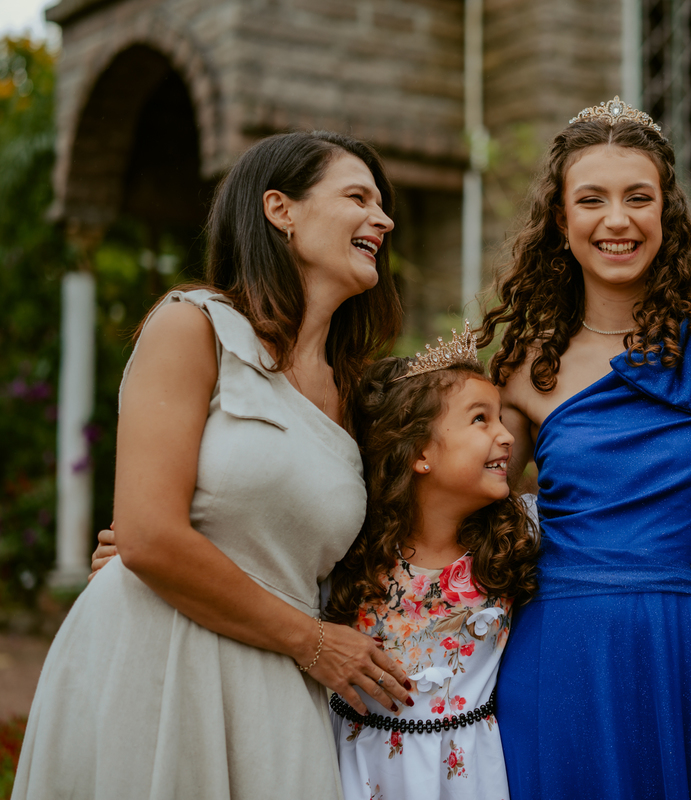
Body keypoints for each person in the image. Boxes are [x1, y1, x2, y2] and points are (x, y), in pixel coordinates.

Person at [15, 131, 415, 799]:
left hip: (276, 684)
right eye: (357, 197)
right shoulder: (194, 327)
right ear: (280, 209)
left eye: (383, 205)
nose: (383, 218)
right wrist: (314, 643)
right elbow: (147, 537)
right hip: (158, 655)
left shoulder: (358, 396)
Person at [478, 98, 691, 799]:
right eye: (591, 199)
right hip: (563, 651)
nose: (616, 220)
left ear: (665, 213)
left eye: (637, 198)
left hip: (689, 648)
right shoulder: (527, 370)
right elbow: (466, 499)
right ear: (561, 222)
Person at [322, 336, 540, 799]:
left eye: (501, 417)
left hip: (466, 776)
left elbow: (613, 533)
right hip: (359, 771)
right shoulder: (349, 550)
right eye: (480, 419)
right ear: (420, 453)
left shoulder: (518, 538)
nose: (506, 435)